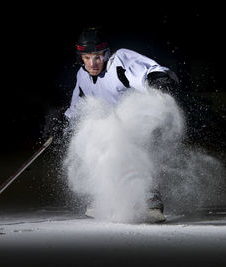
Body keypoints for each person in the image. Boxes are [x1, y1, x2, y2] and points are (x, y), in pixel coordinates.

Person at [64, 27, 179, 223]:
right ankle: (107, 197)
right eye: (87, 57)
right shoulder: (82, 76)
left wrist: (157, 78)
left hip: (144, 121)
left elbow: (147, 69)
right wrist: (63, 122)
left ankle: (150, 199)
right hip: (112, 126)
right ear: (80, 58)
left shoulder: (120, 60)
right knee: (93, 143)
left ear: (106, 53)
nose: (93, 63)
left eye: (98, 56)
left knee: (131, 146)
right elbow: (78, 107)